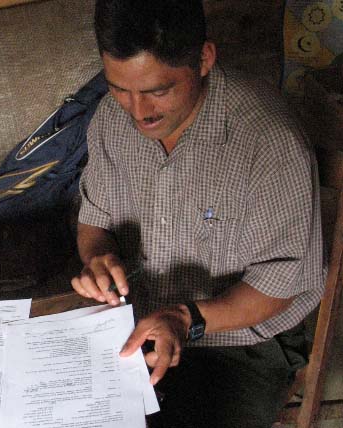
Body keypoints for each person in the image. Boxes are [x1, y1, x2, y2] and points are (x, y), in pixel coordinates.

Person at [71, 1, 325, 427]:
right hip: (139, 320)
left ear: (204, 59)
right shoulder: (111, 119)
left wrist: (183, 319)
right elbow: (94, 224)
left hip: (240, 340)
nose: (138, 111)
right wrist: (98, 258)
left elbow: (279, 285)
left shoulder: (269, 142)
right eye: (120, 88)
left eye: (158, 90)